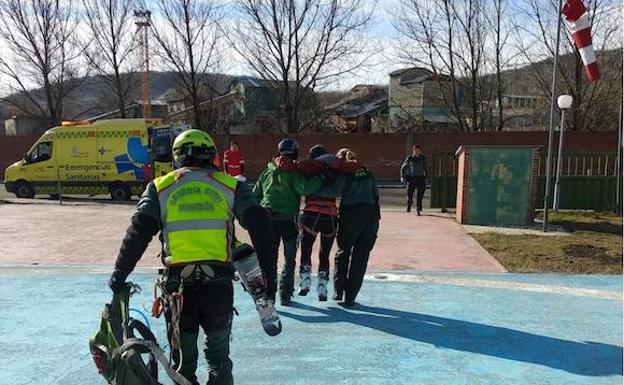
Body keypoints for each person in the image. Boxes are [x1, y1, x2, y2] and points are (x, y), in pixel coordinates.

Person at [107, 129, 275, 385]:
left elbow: (138, 232)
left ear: (176, 157)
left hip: (178, 291)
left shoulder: (160, 187)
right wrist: (268, 280)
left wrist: (120, 274)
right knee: (219, 358)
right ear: (211, 155)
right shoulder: (231, 186)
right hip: (218, 287)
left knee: (183, 364)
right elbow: (260, 226)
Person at [253, 138, 323, 306]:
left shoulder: (268, 171)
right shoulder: (294, 171)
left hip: (269, 220)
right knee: (289, 259)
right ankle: (285, 294)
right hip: (288, 221)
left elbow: (255, 194)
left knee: (270, 259)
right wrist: (320, 178)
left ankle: (269, 296)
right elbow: (304, 188)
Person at [294, 145, 345, 301]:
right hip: (330, 215)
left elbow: (304, 189)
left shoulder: (309, 169)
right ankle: (322, 286)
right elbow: (339, 190)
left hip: (311, 213)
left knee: (306, 248)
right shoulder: (337, 170)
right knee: (325, 252)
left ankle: (305, 281)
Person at [334, 148, 380, 307]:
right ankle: (351, 297)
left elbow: (336, 191)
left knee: (343, 252)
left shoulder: (344, 172)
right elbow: (376, 195)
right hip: (370, 216)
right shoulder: (367, 172)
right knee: (361, 257)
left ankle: (338, 290)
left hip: (351, 214)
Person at [400, 144, 427, 215]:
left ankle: (418, 208)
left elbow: (425, 168)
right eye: (415, 151)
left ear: (420, 151)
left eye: (418, 151)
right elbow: (403, 167)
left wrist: (426, 177)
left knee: (420, 194)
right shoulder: (410, 158)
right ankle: (409, 203)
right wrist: (402, 176)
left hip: (420, 177)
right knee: (409, 194)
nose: (416, 152)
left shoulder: (422, 158)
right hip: (411, 178)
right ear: (413, 151)